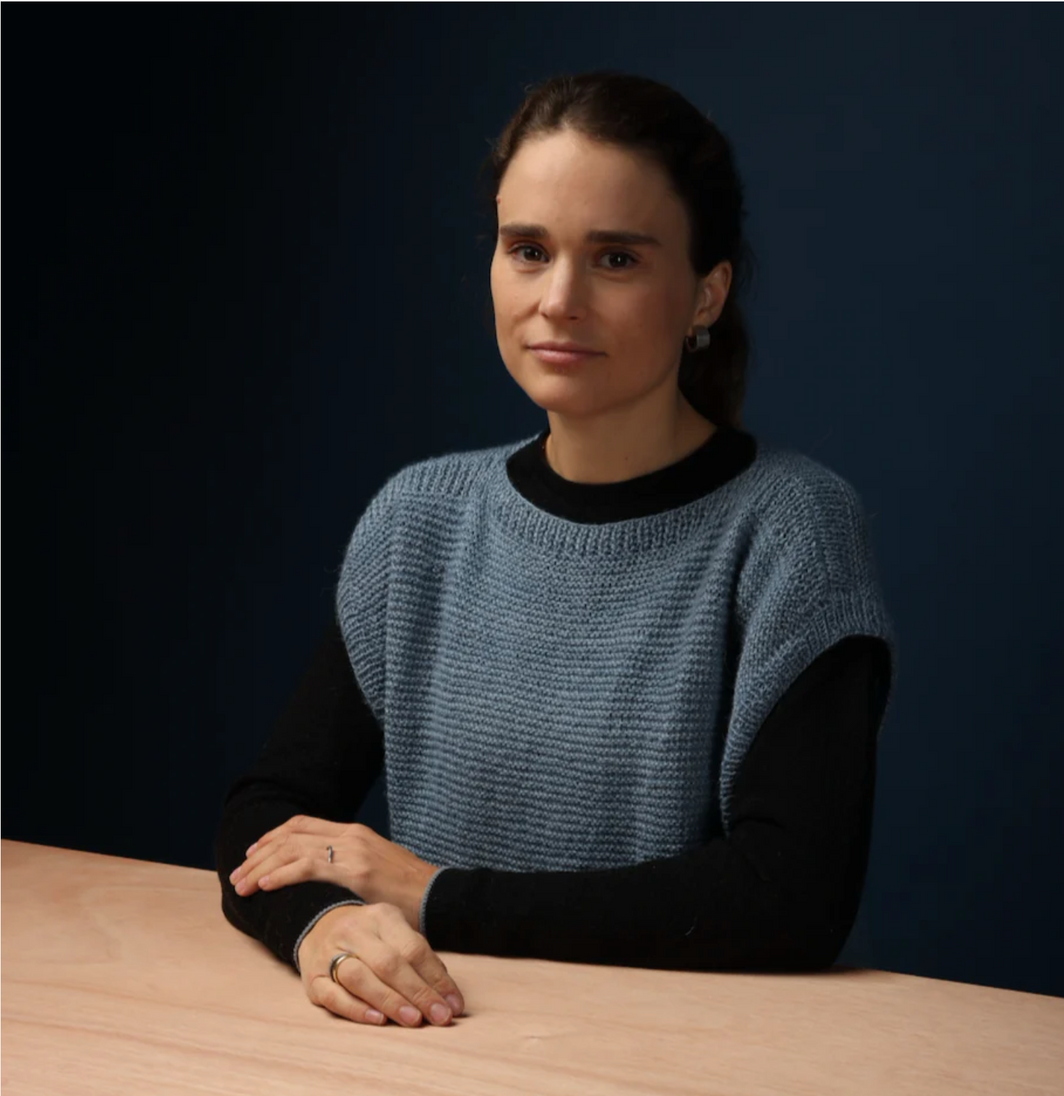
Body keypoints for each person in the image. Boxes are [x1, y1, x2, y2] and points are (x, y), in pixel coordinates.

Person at [215, 70, 897, 1030]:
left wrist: (434, 896)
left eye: (615, 259)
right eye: (528, 250)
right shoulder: (421, 520)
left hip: (689, 1065)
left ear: (707, 292)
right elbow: (268, 820)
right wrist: (321, 926)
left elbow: (790, 898)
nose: (559, 299)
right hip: (434, 1045)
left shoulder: (792, 529)